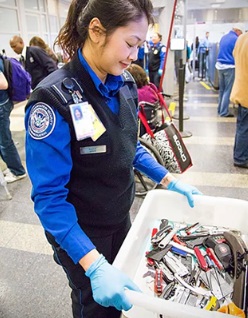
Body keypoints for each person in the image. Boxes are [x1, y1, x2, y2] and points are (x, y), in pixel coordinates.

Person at [24, 1, 202, 317]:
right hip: (80, 230)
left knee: (123, 294)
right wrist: (93, 266)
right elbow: (49, 199)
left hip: (120, 217)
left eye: (140, 45)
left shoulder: (125, 83)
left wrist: (168, 180)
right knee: (95, 306)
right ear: (96, 30)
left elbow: (127, 147)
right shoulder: (52, 101)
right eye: (130, 43)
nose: (135, 55)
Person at [0, 56, 26, 183]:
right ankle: (12, 167)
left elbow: (3, 84)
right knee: (3, 141)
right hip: (4, 103)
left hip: (1, 105)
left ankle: (17, 171)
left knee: (4, 141)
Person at [215, 27, 242, 117]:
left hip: (220, 66)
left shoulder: (224, 37)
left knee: (222, 90)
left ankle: (219, 109)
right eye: (240, 33)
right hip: (230, 66)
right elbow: (238, 53)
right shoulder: (236, 39)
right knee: (228, 90)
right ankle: (224, 112)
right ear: (237, 31)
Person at [230, 32, 248, 169]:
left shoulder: (241, 38)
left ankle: (239, 154)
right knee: (244, 127)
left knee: (242, 126)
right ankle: (241, 158)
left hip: (241, 89)